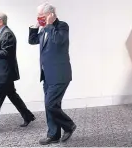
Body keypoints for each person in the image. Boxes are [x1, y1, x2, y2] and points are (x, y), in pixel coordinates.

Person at [0, 12, 35, 134]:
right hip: (3, 72)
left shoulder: (7, 34)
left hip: (4, 74)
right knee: (13, 95)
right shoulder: (2, 33)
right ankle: (28, 116)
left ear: (0, 21)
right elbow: (1, 53)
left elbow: (6, 54)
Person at [28, 3, 76, 145]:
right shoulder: (43, 30)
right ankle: (53, 134)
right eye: (38, 16)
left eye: (41, 16)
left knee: (50, 105)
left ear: (51, 14)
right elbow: (32, 40)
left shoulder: (62, 26)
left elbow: (58, 41)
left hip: (60, 74)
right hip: (47, 75)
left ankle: (69, 125)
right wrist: (36, 26)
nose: (40, 18)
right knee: (51, 105)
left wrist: (49, 25)